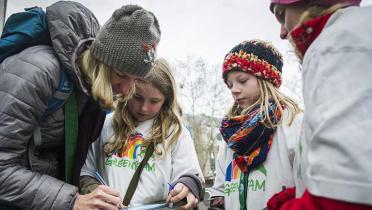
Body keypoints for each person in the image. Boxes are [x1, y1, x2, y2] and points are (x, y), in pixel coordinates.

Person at [0, 1, 161, 210]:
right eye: (121, 74)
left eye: (136, 79)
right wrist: (71, 201)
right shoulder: (38, 72)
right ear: (100, 61)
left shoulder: (88, 89)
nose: (126, 88)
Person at [268, 0, 372, 209]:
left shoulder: (337, 43)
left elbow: (346, 198)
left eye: (281, 15)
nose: (282, 32)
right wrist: (291, 196)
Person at [80, 58, 204, 209]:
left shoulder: (176, 132)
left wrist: (187, 186)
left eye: (154, 101)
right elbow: (86, 171)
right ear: (127, 89)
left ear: (166, 100)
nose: (144, 108)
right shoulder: (104, 124)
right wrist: (97, 193)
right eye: (137, 97)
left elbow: (191, 175)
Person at [209, 39, 303, 210]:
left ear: (266, 79)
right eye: (230, 85)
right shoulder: (231, 132)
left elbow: (307, 185)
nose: (234, 89)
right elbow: (220, 186)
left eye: (242, 81)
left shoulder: (293, 122)